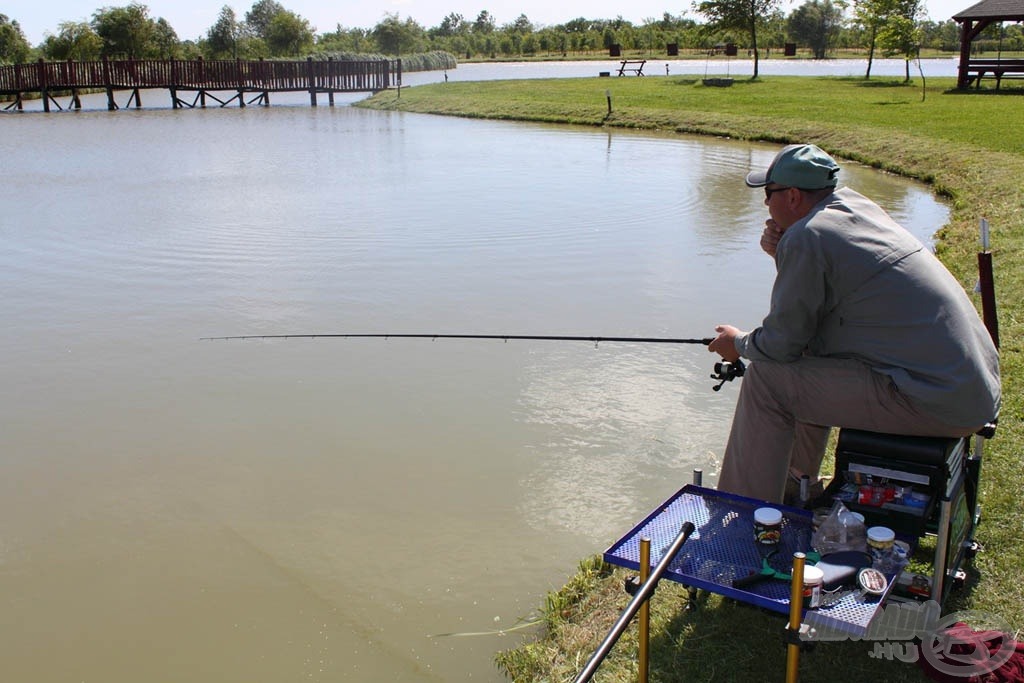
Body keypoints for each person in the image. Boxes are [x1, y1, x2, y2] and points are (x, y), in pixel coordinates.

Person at [708, 143, 1001, 504]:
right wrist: (782, 254)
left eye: (769, 194)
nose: (766, 204)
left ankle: (738, 513)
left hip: (935, 398)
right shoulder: (855, 208)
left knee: (768, 379)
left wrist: (737, 344)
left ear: (794, 196)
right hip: (966, 386)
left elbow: (781, 343)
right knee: (803, 362)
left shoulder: (807, 236)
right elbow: (811, 324)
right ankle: (797, 488)